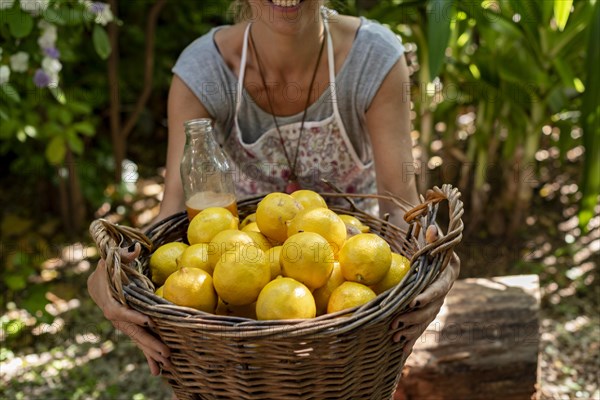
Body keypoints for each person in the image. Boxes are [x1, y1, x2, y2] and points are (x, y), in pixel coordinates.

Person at [88, 0, 460, 396]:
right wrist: (111, 271)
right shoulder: (204, 70)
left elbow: (400, 203)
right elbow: (173, 217)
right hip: (233, 332)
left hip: (353, 315)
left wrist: (438, 265)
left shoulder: (374, 56)